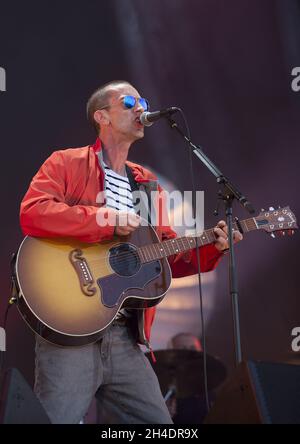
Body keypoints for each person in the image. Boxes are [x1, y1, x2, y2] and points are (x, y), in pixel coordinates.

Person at [19, 80, 242, 424]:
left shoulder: (145, 182)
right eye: (128, 102)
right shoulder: (66, 162)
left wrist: (213, 247)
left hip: (124, 336)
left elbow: (162, 256)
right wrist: (103, 218)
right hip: (71, 328)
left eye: (144, 101)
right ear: (102, 117)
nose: (141, 108)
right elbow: (32, 213)